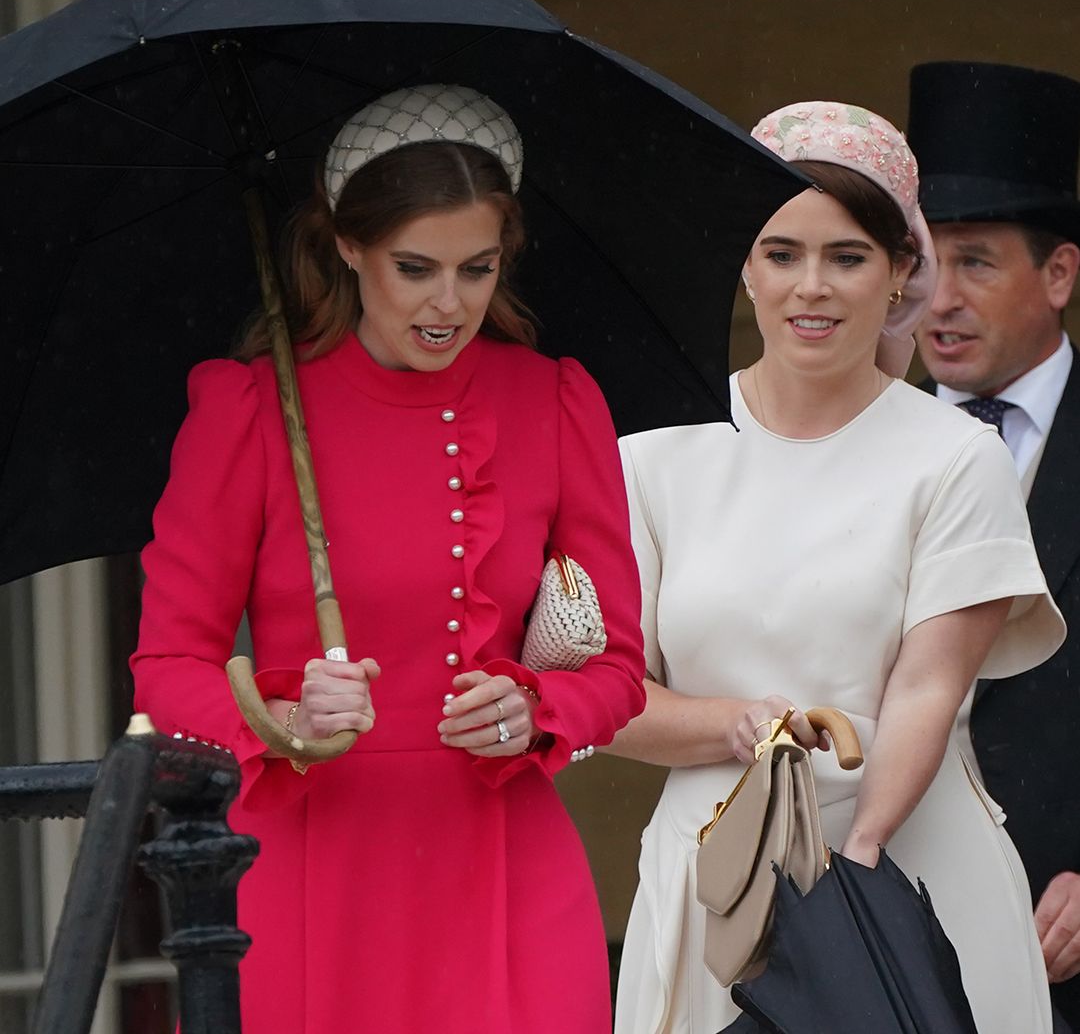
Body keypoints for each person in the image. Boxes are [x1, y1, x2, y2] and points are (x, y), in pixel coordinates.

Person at [131, 84, 646, 1033]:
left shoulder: (555, 401)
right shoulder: (247, 415)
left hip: (507, 867)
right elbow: (166, 669)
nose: (449, 304)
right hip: (310, 869)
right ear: (347, 245)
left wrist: (536, 707)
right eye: (415, 268)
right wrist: (279, 714)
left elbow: (618, 668)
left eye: (478, 269)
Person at [608, 100, 1065, 1034]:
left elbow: (928, 688)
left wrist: (850, 881)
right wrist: (735, 725)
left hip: (905, 865)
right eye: (782, 253)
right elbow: (606, 694)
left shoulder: (955, 456)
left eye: (847, 257)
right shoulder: (651, 454)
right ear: (744, 261)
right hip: (716, 877)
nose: (810, 286)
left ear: (901, 273)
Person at [909, 60, 1080, 1032]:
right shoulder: (861, 446)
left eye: (974, 262)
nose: (939, 300)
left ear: (1058, 274)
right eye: (924, 265)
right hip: (889, 942)